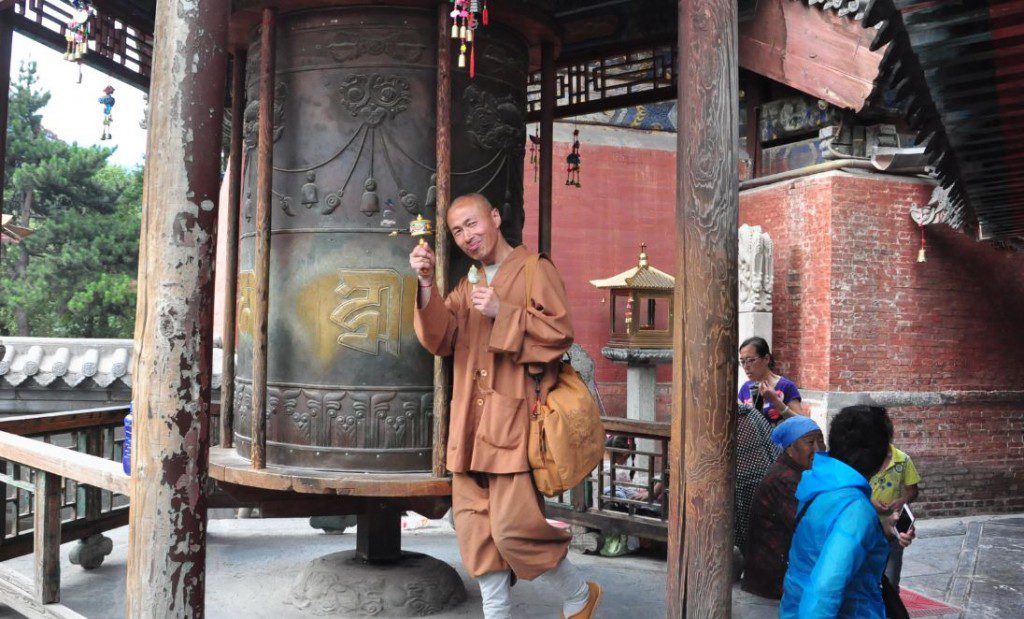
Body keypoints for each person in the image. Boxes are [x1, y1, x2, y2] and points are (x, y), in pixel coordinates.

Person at [410, 193, 601, 619]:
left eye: (472, 224)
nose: (466, 237)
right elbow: (441, 338)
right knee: (475, 530)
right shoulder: (470, 280)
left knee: (515, 529)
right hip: (470, 424)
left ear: (494, 218)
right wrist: (426, 283)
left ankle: (578, 593)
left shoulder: (535, 270)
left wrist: (505, 312)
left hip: (513, 418)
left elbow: (559, 334)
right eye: (457, 231)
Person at [781, 405, 916, 618]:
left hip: (794, 605)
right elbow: (824, 589)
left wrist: (883, 529)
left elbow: (824, 538)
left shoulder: (820, 482)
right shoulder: (856, 509)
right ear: (878, 455)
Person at [742, 416, 825, 600]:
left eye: (820, 440)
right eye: (810, 442)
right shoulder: (785, 479)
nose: (818, 448)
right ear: (790, 448)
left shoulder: (801, 473)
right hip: (773, 579)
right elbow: (807, 528)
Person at [870, 425, 921, 591]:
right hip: (868, 526)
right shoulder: (864, 461)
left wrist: (902, 501)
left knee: (891, 580)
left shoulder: (903, 460)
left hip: (894, 528)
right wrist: (871, 502)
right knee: (869, 576)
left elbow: (913, 490)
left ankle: (891, 605)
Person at [737, 336, 803, 424]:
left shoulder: (786, 386)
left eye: (750, 360)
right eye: (742, 361)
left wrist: (775, 400)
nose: (746, 366)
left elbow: (802, 423)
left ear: (766, 359)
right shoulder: (746, 387)